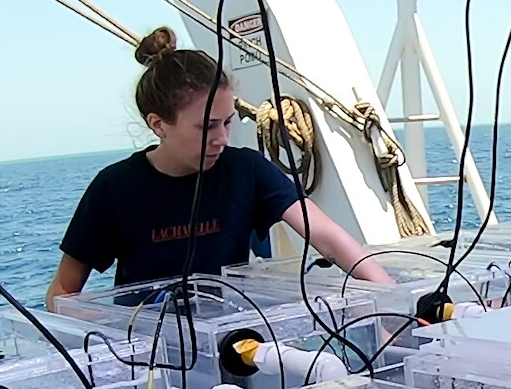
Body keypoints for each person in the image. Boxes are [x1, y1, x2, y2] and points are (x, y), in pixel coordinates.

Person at [46, 27, 393, 309]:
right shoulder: (115, 188)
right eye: (206, 127)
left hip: (233, 340)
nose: (221, 138)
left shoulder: (246, 170)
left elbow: (328, 237)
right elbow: (63, 291)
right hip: (150, 358)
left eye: (227, 123)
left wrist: (393, 298)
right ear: (158, 124)